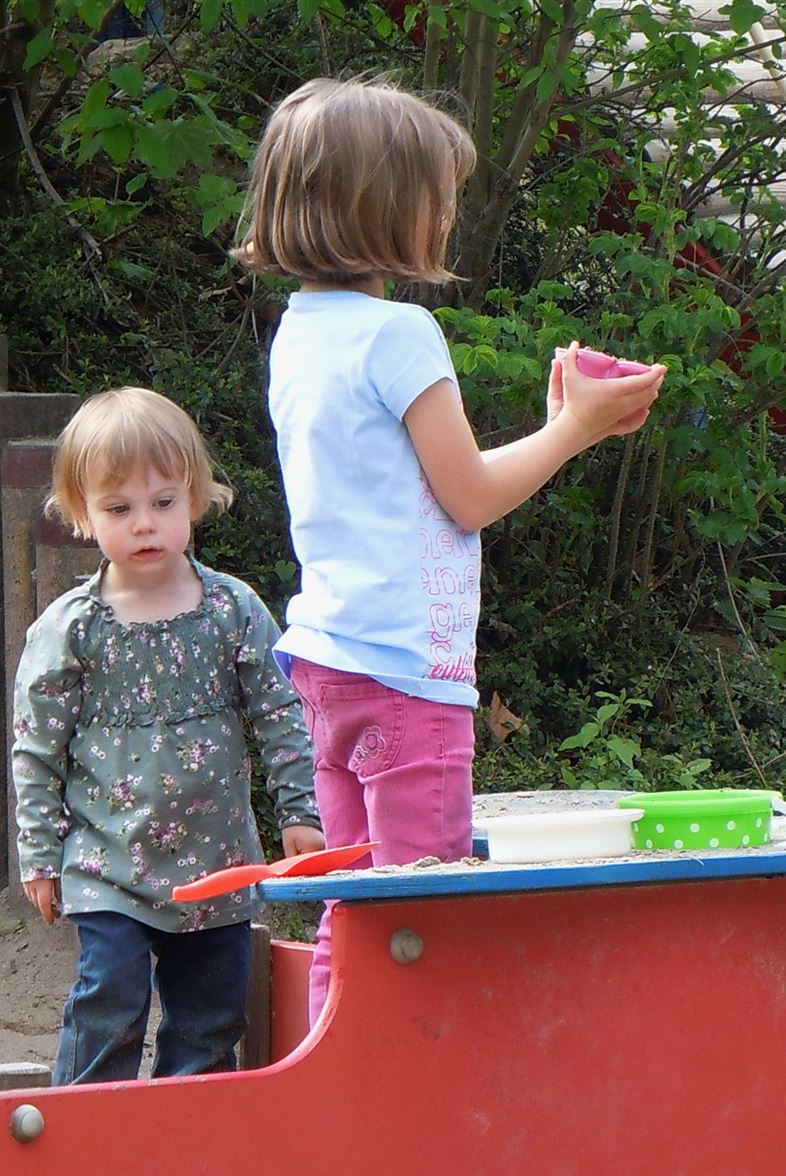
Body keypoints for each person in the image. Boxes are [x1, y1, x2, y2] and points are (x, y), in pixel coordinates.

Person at [231, 77, 667, 1024]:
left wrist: (560, 423)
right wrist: (577, 430)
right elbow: (469, 497)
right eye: (439, 196)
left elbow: (432, 487)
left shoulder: (300, 333)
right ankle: (408, 1084)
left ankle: (335, 1078)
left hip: (329, 667)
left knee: (354, 909)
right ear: (387, 207)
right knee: (425, 920)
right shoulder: (401, 334)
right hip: (406, 678)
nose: (447, 215)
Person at [13, 388, 324, 1085]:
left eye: (163, 501)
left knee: (211, 1017)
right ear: (81, 514)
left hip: (218, 864)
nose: (145, 523)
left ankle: (189, 1135)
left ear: (196, 497)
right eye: (119, 508)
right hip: (106, 865)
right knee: (111, 999)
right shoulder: (70, 628)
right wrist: (39, 854)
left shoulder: (233, 609)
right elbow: (36, 748)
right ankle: (87, 1127)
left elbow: (281, 714)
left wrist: (299, 811)